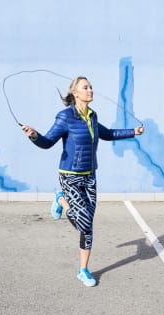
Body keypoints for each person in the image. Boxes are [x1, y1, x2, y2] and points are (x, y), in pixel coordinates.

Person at [21, 76, 144, 287]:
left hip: (90, 175)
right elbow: (48, 142)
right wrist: (34, 135)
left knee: (88, 226)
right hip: (69, 175)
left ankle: (83, 270)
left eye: (91, 87)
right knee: (85, 221)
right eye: (85, 87)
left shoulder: (92, 116)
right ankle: (61, 200)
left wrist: (132, 132)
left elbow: (107, 133)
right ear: (75, 93)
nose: (90, 90)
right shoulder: (65, 117)